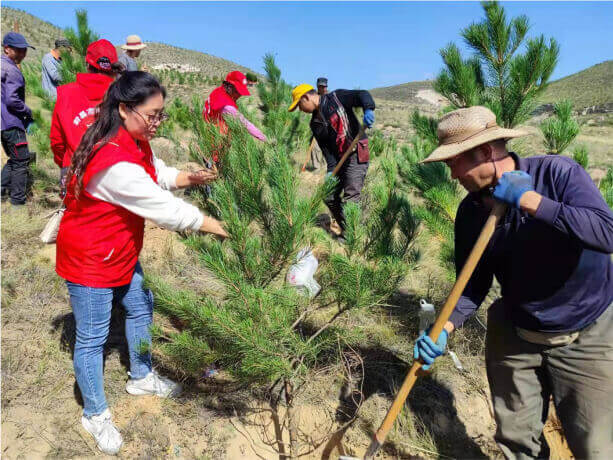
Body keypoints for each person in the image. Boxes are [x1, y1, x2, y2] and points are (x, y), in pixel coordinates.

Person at [413, 106, 613, 459]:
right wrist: (443, 328)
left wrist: (532, 202)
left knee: (595, 448)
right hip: (518, 330)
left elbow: (607, 232)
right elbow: (471, 285)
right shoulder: (472, 211)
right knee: (517, 445)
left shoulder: (557, 174)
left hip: (587, 330)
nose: (453, 174)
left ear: (487, 152)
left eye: (455, 162)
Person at [55, 71, 227, 455]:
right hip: (90, 259)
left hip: (120, 250)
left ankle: (142, 375)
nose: (158, 122)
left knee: (139, 306)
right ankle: (95, 414)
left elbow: (156, 173)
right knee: (93, 338)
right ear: (124, 109)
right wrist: (214, 225)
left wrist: (190, 177)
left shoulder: (133, 140)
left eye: (162, 115)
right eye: (153, 115)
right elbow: (160, 206)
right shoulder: (113, 160)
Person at [289, 83, 375, 233]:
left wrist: (368, 109)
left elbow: (362, 95)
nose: (301, 110)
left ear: (306, 97)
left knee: (351, 198)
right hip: (340, 159)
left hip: (356, 152)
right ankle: (349, 230)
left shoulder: (337, 98)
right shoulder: (315, 124)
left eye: (300, 105)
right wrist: (330, 172)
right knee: (328, 196)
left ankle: (353, 238)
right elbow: (328, 152)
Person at [50, 39, 123, 193]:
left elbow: (57, 141)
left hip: (74, 172)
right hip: (112, 176)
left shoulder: (66, 93)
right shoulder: (121, 97)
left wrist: (64, 163)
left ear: (87, 65)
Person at [203, 70, 267, 164]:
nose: (240, 95)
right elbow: (245, 124)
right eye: (238, 91)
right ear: (229, 87)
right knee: (213, 175)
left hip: (206, 141)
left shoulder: (218, 92)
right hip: (215, 150)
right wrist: (265, 138)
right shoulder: (227, 106)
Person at [1, 32, 35, 206]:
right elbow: (12, 100)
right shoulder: (12, 70)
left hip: (3, 124)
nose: (23, 54)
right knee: (21, 162)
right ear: (7, 49)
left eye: (24, 50)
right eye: (19, 50)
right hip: (13, 123)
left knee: (14, 160)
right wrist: (28, 113)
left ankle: (0, 193)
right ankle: (17, 204)